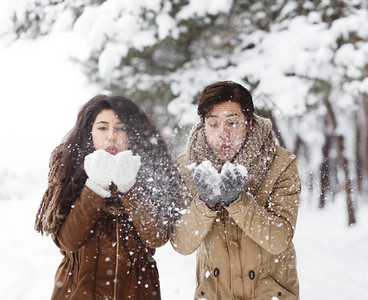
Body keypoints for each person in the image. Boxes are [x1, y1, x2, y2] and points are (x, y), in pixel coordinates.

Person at [35, 94, 182, 300]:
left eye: (121, 128)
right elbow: (68, 241)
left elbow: (156, 237)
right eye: (103, 128)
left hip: (137, 292)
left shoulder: (148, 169)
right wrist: (94, 187)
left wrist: (130, 189)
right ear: (90, 132)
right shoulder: (68, 169)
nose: (112, 136)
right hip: (78, 292)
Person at [172, 81, 301, 299]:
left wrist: (238, 203)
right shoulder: (188, 167)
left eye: (232, 123)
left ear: (249, 122)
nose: (223, 134)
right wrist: (205, 204)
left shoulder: (280, 163)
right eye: (213, 124)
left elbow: (279, 240)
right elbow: (182, 243)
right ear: (204, 125)